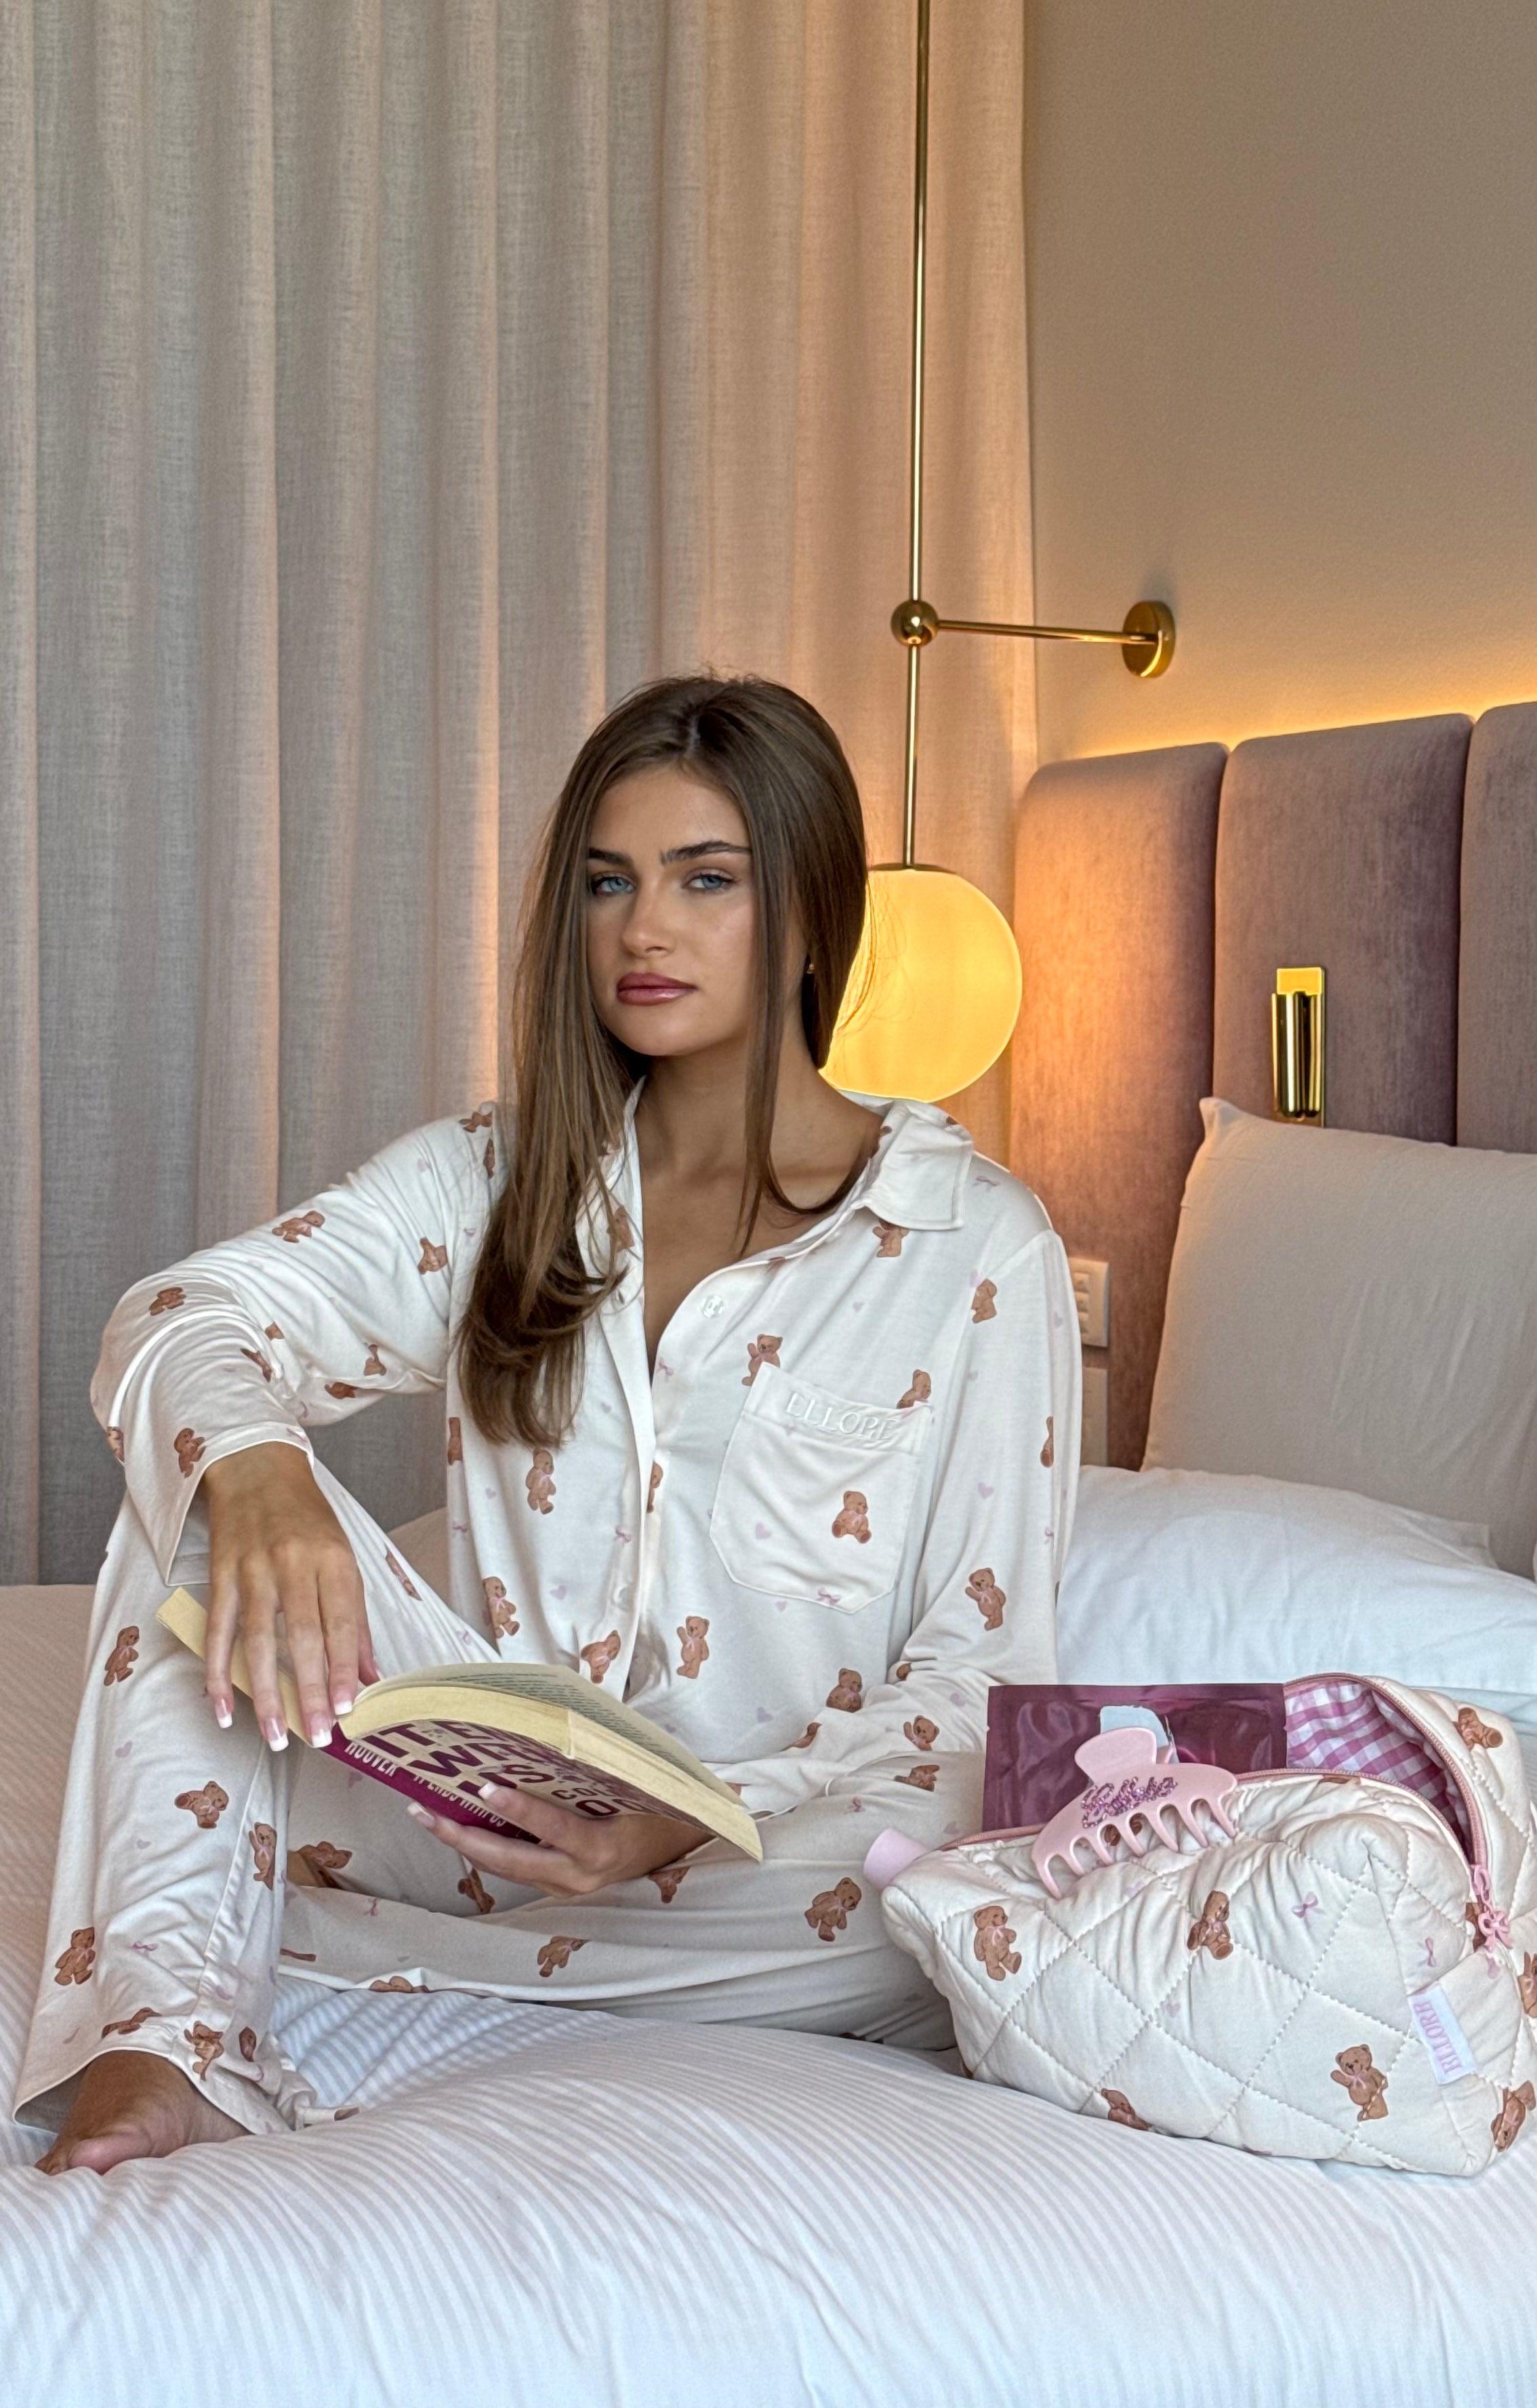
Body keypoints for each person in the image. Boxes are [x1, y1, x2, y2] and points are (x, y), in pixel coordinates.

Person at [22, 673, 1080, 2174]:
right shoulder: (497, 1182)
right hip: (477, 1817)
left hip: (759, 1874)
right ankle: (165, 2033)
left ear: (810, 914)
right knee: (192, 1510)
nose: (644, 930)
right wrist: (259, 1474)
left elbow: (981, 1679)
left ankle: (323, 1927)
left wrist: (690, 1819)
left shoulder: (977, 1247)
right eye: (608, 882)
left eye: (706, 880)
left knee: (937, 1894)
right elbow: (180, 1315)